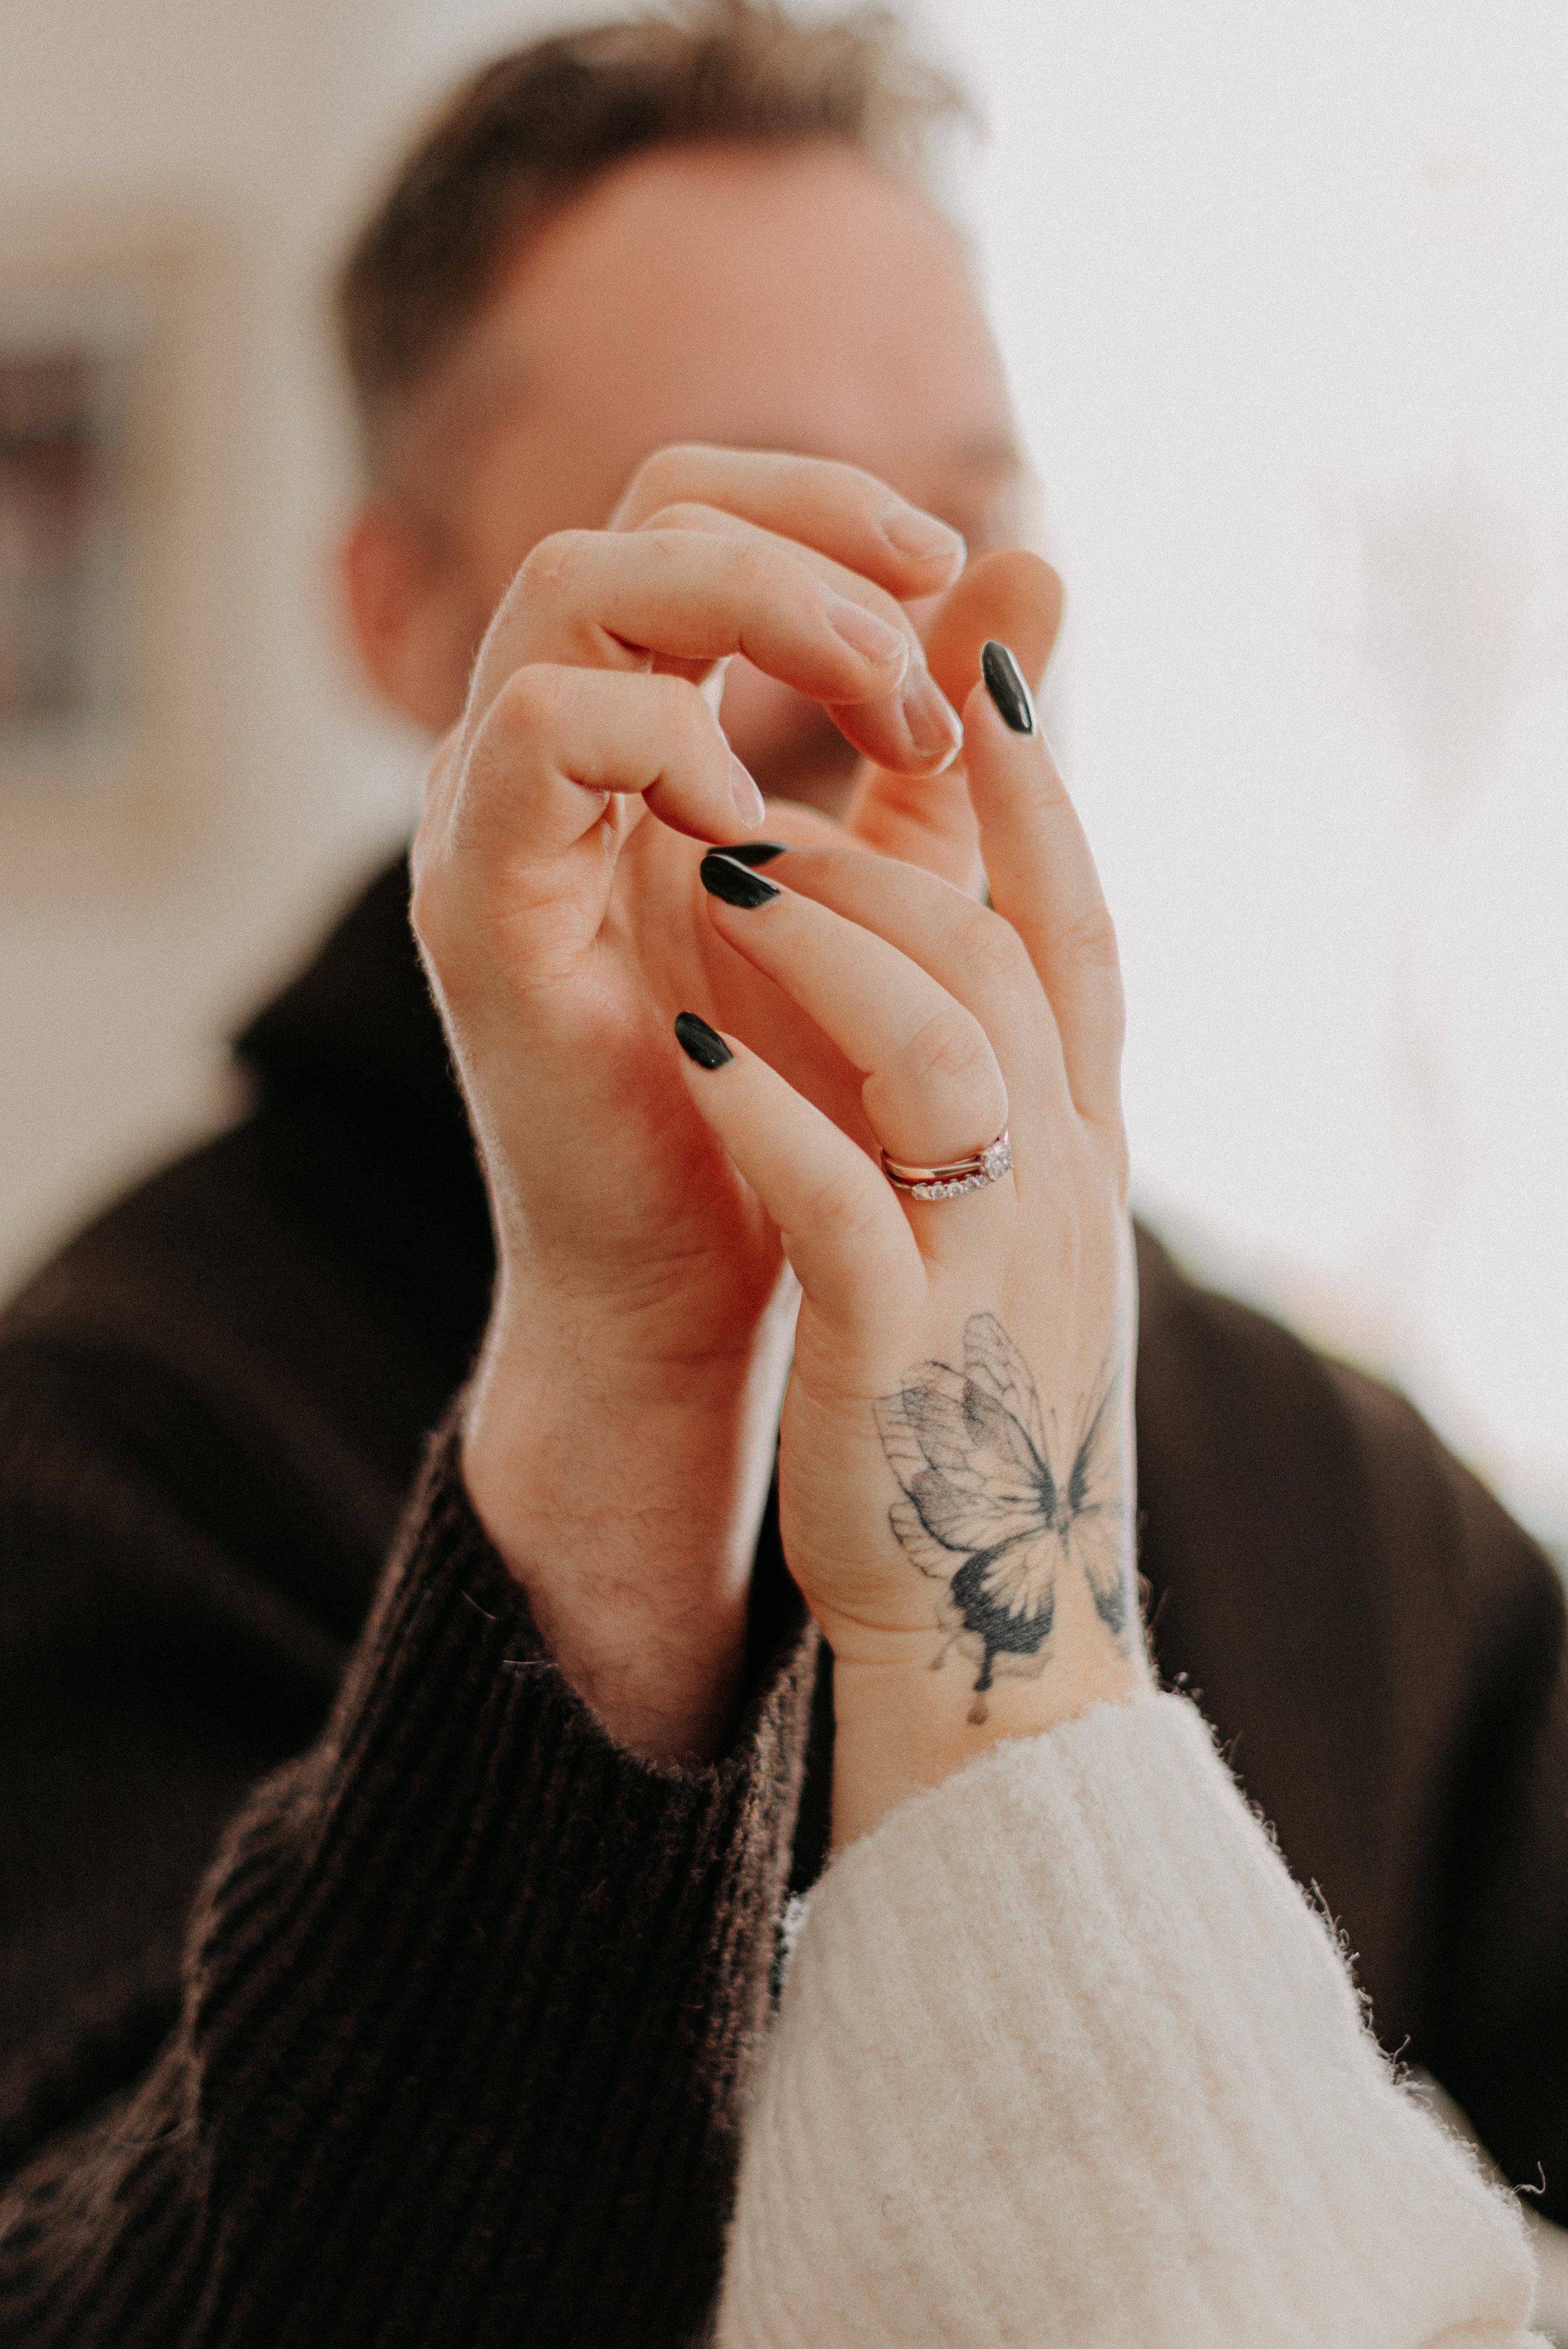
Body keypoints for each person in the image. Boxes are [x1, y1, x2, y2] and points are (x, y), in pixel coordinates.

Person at [1, 5, 1564, 2342]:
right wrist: (632, 1374)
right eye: (745, 546)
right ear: (398, 612)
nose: (885, 660)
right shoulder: (120, 1435)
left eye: (958, 524)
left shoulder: (1312, 1464)